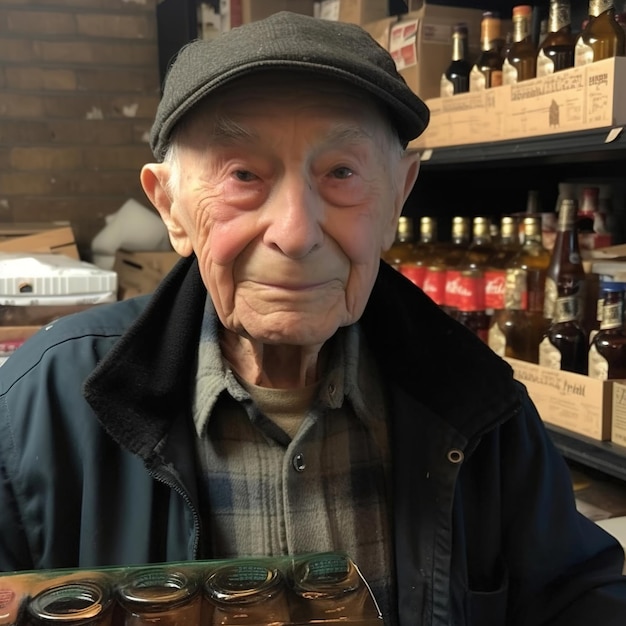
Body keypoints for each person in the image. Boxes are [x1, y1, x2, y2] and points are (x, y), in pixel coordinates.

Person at [0, 10, 625, 626]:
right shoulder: (37, 411)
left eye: (342, 174)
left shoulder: (482, 406)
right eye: (243, 175)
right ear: (169, 206)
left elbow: (574, 595)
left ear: (397, 200)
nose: (295, 234)